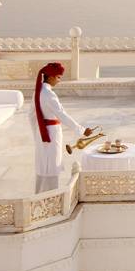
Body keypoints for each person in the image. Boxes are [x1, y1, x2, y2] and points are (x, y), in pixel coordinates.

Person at [30, 62, 91, 193]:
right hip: (51, 133)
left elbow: (31, 115)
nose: (59, 80)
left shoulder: (38, 91)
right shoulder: (48, 94)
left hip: (42, 133)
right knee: (52, 165)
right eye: (58, 77)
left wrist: (37, 132)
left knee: (43, 164)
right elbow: (62, 115)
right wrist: (81, 130)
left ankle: (40, 194)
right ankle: (51, 196)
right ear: (50, 77)